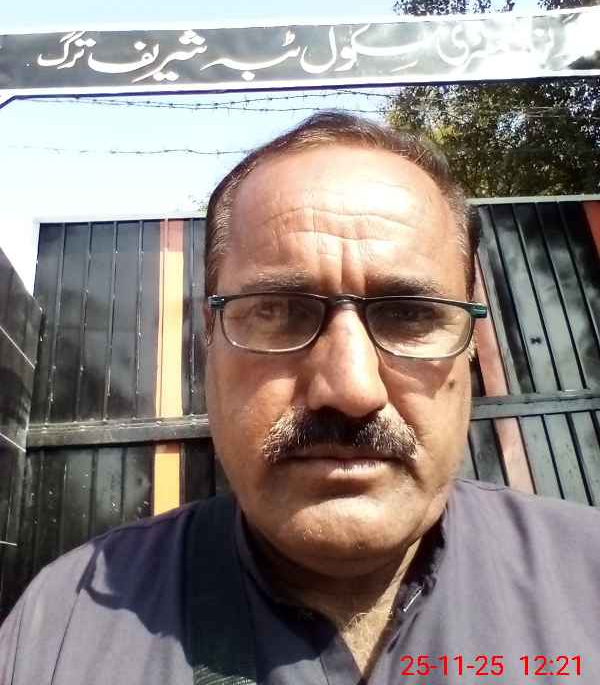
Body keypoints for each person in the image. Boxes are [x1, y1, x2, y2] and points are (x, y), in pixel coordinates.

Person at [1, 111, 599, 685]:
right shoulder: (60, 630)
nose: (351, 390)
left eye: (411, 315)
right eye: (279, 311)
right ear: (209, 340)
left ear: (469, 347)